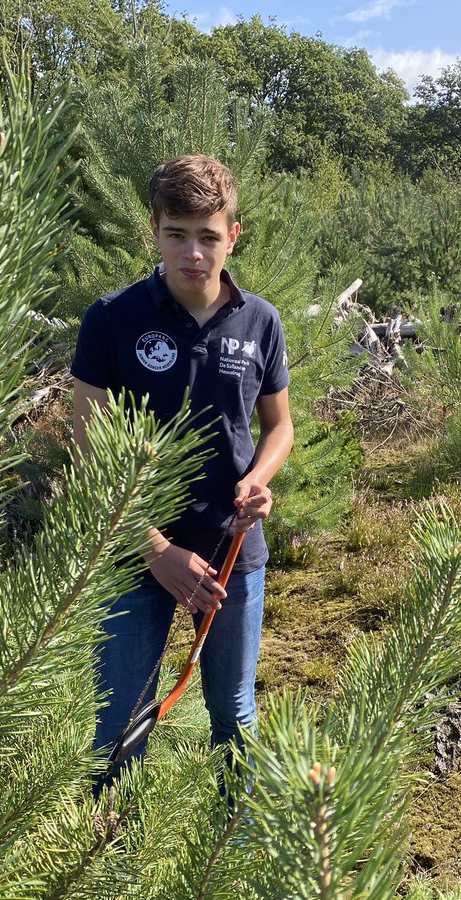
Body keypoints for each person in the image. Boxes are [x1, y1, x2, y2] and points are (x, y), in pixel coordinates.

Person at [71, 154, 294, 795]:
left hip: (232, 551)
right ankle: (104, 861)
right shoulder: (111, 319)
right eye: (177, 234)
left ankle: (234, 852)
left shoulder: (261, 321)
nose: (193, 253)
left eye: (208, 236)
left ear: (233, 235)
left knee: (235, 713)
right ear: (154, 229)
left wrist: (261, 479)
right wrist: (156, 550)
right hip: (134, 552)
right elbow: (91, 449)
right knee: (120, 726)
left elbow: (279, 427)